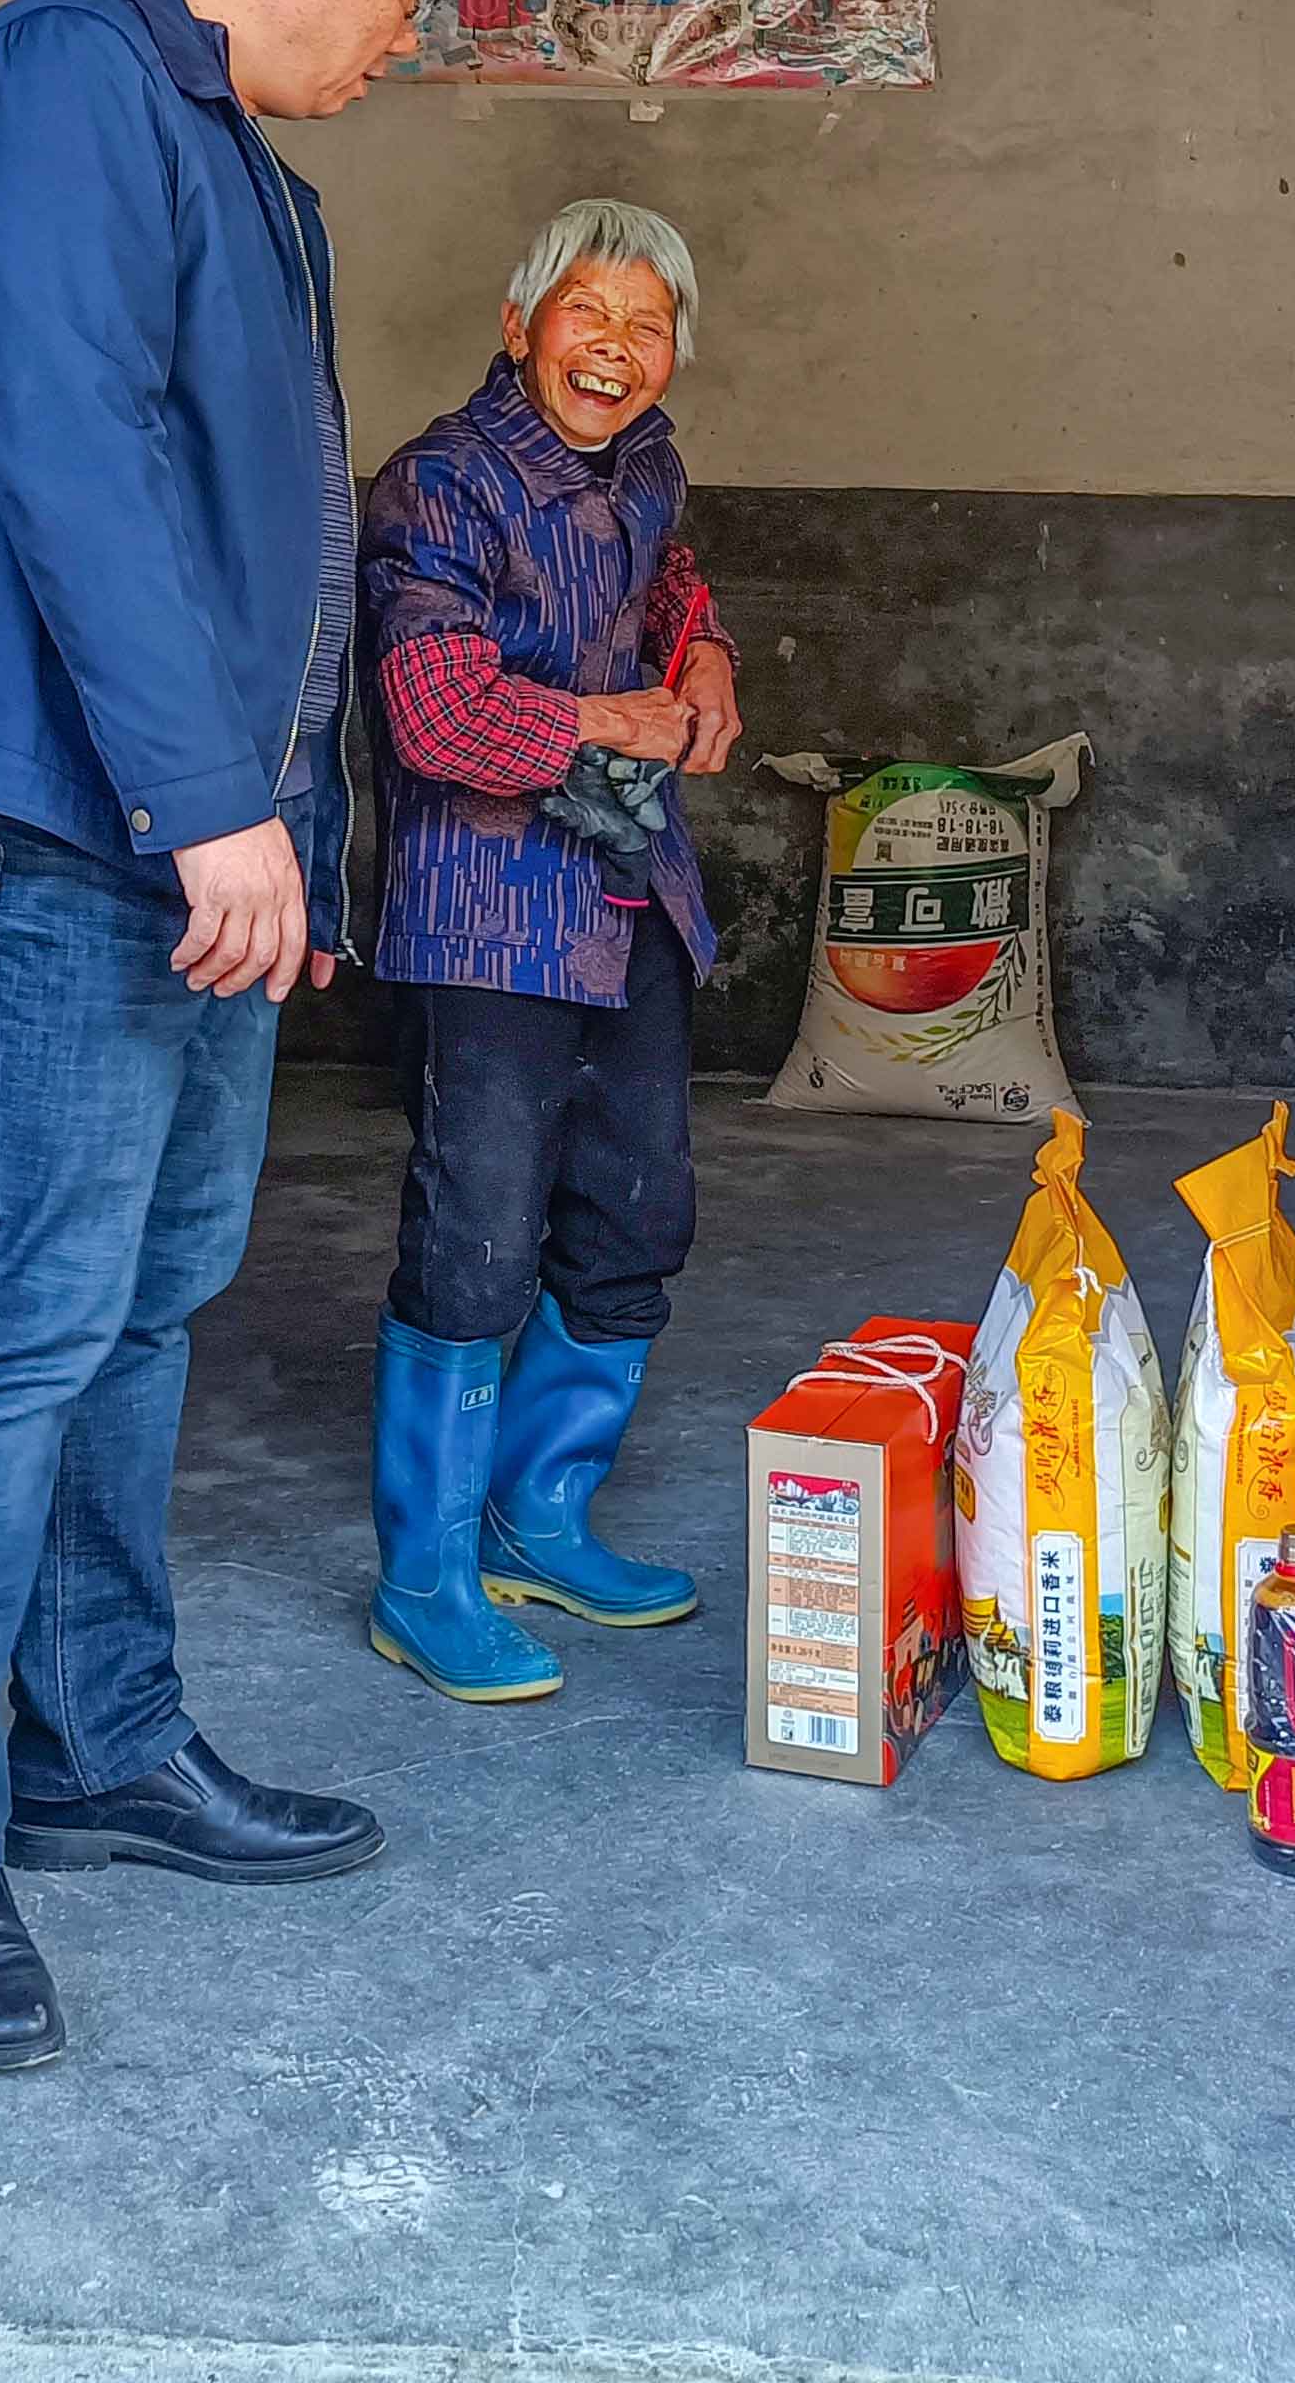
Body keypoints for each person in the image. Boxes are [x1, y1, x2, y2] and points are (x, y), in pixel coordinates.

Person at [0, 0, 437, 2071]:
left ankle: (100, 1737)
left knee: (145, 1308)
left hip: (201, 851)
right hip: (66, 831)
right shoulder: (56, 88)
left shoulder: (247, 176)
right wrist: (208, 807)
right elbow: (71, 463)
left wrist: (294, 833)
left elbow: (272, 547)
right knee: (29, 1319)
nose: (406, 33)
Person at [356, 201, 742, 1702]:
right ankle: (425, 1580)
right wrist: (603, 719)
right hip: (486, 911)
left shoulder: (645, 465)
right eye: (589, 312)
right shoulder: (441, 484)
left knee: (638, 1211)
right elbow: (433, 715)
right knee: (478, 1237)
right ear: (520, 325)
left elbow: (668, 573)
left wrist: (703, 650)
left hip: (627, 890)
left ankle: (539, 1515)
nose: (616, 349)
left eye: (650, 326)